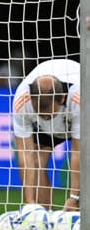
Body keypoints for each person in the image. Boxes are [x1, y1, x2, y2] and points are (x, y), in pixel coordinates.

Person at [12, 58, 80, 211]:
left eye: (49, 114)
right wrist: (29, 204)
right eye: (40, 114)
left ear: (62, 98)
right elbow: (25, 154)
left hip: (77, 117)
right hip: (43, 130)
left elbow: (78, 152)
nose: (46, 118)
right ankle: (43, 217)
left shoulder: (79, 97)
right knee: (36, 160)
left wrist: (74, 197)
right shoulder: (22, 101)